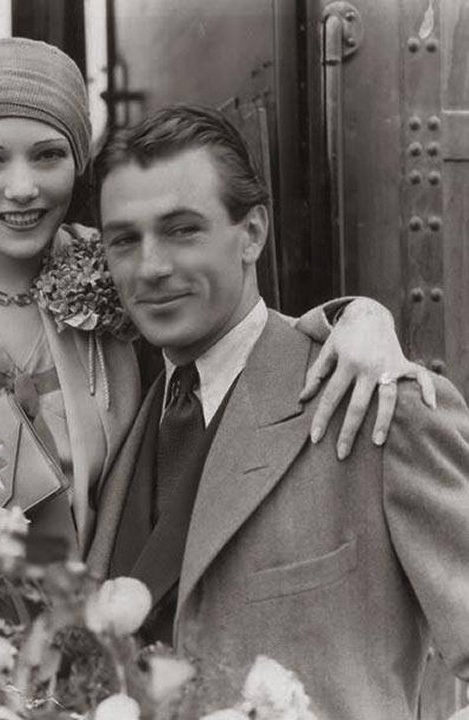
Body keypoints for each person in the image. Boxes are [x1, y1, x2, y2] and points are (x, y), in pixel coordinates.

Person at [0, 38, 425, 574]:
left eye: (47, 156)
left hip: (87, 635)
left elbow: (235, 337)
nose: (21, 188)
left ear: (78, 165)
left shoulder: (121, 265)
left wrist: (359, 318)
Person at [87, 104, 469, 719]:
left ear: (253, 233)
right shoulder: (117, 419)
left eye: (183, 230)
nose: (151, 267)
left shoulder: (376, 403)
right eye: (125, 240)